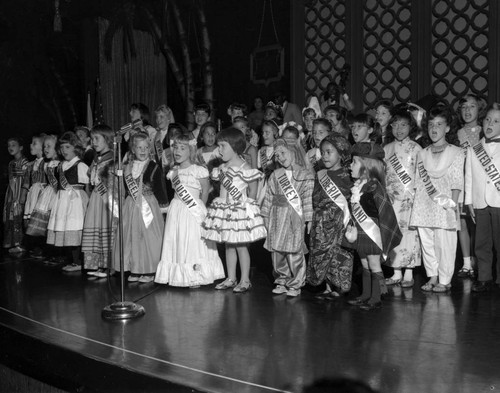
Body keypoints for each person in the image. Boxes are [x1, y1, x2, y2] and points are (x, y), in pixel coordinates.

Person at [202, 127, 267, 293]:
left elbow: (253, 190)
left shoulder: (246, 168)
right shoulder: (222, 168)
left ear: (235, 147)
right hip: (225, 209)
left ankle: (245, 279)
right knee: (229, 245)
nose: (219, 150)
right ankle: (231, 277)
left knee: (241, 246)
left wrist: (250, 209)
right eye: (219, 146)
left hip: (239, 211)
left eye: (223, 146)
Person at [155, 135, 225, 287]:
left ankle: (196, 275)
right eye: (175, 148)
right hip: (177, 210)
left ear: (191, 150)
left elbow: (205, 192)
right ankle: (178, 275)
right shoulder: (173, 171)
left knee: (193, 241)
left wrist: (200, 211)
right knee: (177, 239)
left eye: (182, 148)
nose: (177, 151)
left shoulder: (198, 170)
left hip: (194, 211)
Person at [410, 106, 463, 293]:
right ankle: (432, 276)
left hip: (444, 204)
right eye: (431, 124)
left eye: (439, 124)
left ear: (448, 128)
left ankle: (445, 279)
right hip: (423, 204)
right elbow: (417, 183)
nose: (434, 129)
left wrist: (452, 207)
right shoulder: (422, 154)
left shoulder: (456, 152)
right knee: (428, 244)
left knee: (445, 244)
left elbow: (457, 182)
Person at [346, 142, 402, 310]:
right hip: (361, 232)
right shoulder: (358, 186)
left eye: (354, 162)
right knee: (364, 264)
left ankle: (377, 297)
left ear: (367, 165)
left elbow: (385, 212)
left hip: (372, 233)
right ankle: (366, 294)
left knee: (374, 264)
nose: (350, 166)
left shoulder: (374, 186)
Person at [261, 137, 314, 297]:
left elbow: (307, 199)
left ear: (293, 151)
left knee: (293, 251)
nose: (280, 157)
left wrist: (309, 219)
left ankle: (296, 283)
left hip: (294, 217)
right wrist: (265, 215)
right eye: (277, 155)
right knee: (277, 251)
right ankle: (281, 280)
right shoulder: (276, 174)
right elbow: (269, 196)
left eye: (283, 152)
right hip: (276, 216)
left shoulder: (305, 175)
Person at [114, 132, 168, 283]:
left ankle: (149, 269)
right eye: (139, 147)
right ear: (132, 149)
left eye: (146, 147)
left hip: (148, 206)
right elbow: (124, 188)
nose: (143, 150)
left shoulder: (153, 166)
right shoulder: (127, 167)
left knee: (148, 238)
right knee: (132, 237)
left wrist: (164, 207)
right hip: (131, 206)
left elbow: (160, 188)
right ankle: (136, 269)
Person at [307, 134, 354, 298]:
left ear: (341, 153)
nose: (325, 156)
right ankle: (327, 285)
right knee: (320, 252)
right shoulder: (320, 174)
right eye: (323, 152)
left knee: (337, 253)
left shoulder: (348, 175)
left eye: (329, 152)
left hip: (339, 221)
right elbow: (315, 196)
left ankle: (338, 286)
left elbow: (352, 199)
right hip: (320, 222)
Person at [383, 109, 422, 288]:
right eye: (395, 125)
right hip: (391, 199)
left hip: (409, 199)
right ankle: (396, 271)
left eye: (403, 125)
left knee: (409, 234)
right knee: (393, 233)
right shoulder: (386, 148)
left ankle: (409, 273)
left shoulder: (416, 148)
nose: (399, 129)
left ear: (410, 127)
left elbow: (421, 176)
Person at [466, 103, 500, 292]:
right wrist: (469, 201)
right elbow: (469, 177)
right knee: (482, 243)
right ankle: (484, 276)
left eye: (496, 121)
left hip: (498, 201)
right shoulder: (474, 149)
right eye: (487, 119)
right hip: (480, 202)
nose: (490, 123)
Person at [46, 131, 90, 272]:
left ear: (76, 148)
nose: (64, 151)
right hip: (63, 201)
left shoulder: (80, 165)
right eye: (62, 147)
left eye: (68, 147)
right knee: (66, 230)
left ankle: (78, 262)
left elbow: (87, 187)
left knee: (75, 229)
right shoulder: (61, 165)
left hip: (75, 202)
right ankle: (71, 260)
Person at [456, 94, 487, 278]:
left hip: (480, 184)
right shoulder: (455, 133)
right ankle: (466, 262)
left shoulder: (486, 131)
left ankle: (478, 261)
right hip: (460, 182)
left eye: (472, 106)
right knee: (461, 223)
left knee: (478, 224)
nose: (468, 111)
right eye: (464, 107)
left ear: (479, 109)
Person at [82, 125, 118, 279]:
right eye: (92, 138)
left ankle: (108, 266)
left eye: (97, 138)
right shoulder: (96, 159)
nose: (94, 142)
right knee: (95, 228)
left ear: (107, 139)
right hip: (97, 199)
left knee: (106, 228)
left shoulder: (113, 158)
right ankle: (96, 264)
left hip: (108, 200)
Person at [26, 135, 60, 260]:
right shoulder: (48, 163)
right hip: (48, 194)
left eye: (49, 146)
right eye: (44, 146)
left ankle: (57, 253)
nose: (46, 148)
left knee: (55, 223)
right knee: (46, 226)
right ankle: (48, 251)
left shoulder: (59, 164)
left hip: (56, 195)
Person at [3, 137, 29, 253]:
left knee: (18, 215)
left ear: (21, 147)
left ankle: (20, 243)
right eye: (9, 145)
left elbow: (26, 179)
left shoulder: (24, 162)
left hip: (19, 193)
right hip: (11, 192)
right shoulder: (10, 163)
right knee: (10, 216)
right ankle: (11, 241)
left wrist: (21, 194)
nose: (10, 147)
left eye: (13, 145)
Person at [23, 134, 47, 257]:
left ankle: (44, 247)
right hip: (33, 195)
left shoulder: (47, 163)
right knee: (31, 220)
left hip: (42, 195)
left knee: (41, 220)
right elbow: (27, 182)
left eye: (34, 143)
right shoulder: (30, 165)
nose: (30, 145)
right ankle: (35, 246)